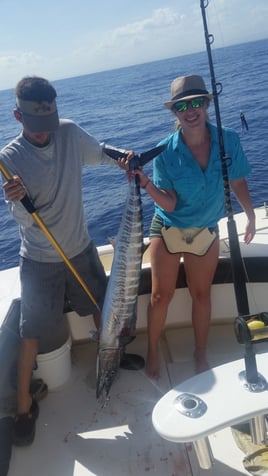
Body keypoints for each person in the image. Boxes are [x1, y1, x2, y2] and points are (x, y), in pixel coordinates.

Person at [0, 76, 144, 446]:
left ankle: (111, 357)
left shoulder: (67, 132)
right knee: (31, 334)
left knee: (104, 309)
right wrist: (15, 200)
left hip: (80, 247)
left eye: (49, 124)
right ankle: (22, 408)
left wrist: (124, 160)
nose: (45, 134)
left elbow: (99, 153)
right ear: (18, 116)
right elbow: (24, 220)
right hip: (39, 259)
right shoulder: (8, 160)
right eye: (36, 127)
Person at [132, 74, 256, 378]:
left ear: (207, 104)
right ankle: (152, 349)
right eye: (182, 106)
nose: (190, 110)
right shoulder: (164, 152)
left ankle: (200, 352)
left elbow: (238, 180)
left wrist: (250, 215)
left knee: (202, 296)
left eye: (197, 102)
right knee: (162, 296)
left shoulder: (230, 140)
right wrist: (146, 184)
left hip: (205, 230)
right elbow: (170, 204)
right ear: (174, 112)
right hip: (169, 228)